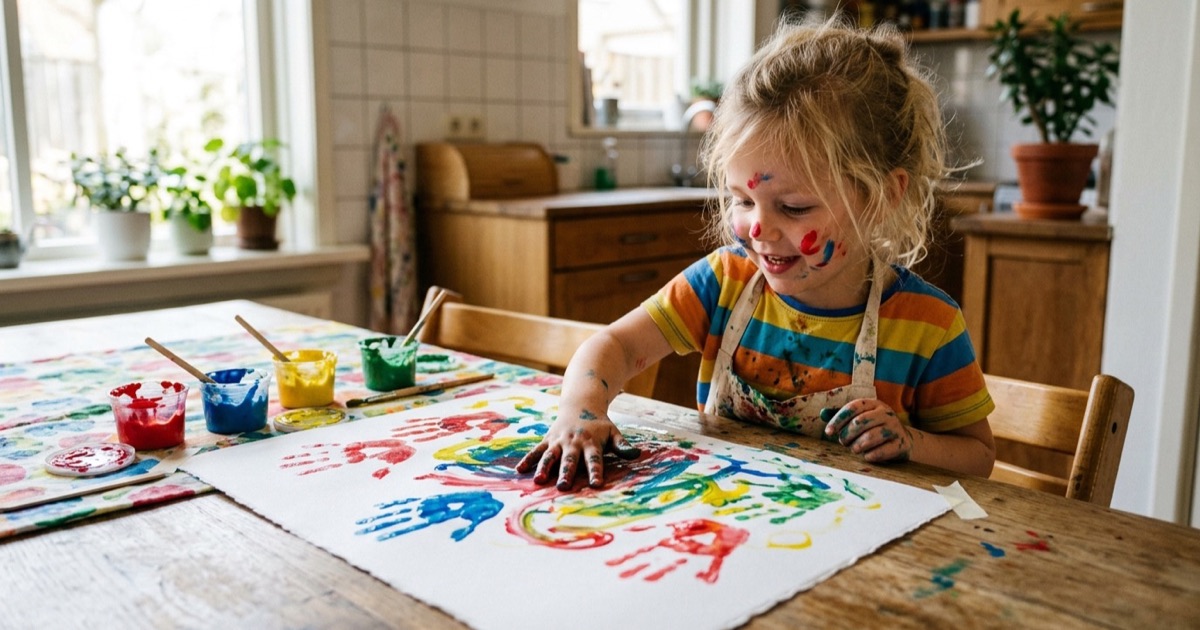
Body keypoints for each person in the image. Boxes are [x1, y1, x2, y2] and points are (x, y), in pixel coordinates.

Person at [516, 15, 996, 491]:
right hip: (728, 520)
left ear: (881, 197)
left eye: (793, 206)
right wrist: (582, 412)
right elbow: (614, 346)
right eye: (742, 200)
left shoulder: (928, 325)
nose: (757, 227)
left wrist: (911, 441)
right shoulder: (724, 282)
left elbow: (977, 456)